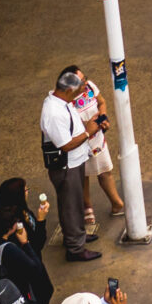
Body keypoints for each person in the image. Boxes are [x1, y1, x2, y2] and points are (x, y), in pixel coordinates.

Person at [40, 66, 105, 262]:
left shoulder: (63, 102)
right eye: (81, 84)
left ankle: (76, 235)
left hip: (75, 162)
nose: (85, 86)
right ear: (69, 89)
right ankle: (75, 248)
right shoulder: (53, 112)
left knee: (73, 203)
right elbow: (66, 145)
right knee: (71, 206)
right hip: (66, 167)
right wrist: (88, 132)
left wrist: (92, 126)